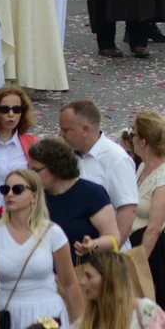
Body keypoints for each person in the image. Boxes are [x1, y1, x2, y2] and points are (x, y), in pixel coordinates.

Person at [0, 169, 83, 328]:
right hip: (7, 316)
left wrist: (82, 323)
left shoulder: (52, 232)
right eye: (5, 189)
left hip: (47, 315)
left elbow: (70, 283)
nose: (9, 194)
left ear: (34, 196)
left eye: (17, 189)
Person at [58, 99, 139, 244]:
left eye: (66, 130)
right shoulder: (66, 154)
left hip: (103, 256)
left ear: (85, 129)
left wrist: (110, 249)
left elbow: (128, 210)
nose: (61, 135)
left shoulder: (116, 159)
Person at [27, 136, 120, 260]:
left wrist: (93, 245)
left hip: (84, 272)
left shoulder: (92, 193)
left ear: (55, 168)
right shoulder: (35, 196)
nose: (30, 176)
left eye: (35, 170)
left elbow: (113, 237)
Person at [128, 112, 165, 311]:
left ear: (143, 141)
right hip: (135, 246)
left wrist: (136, 266)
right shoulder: (143, 166)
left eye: (133, 133)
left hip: (153, 254)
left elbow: (154, 229)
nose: (130, 137)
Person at [75, 250, 165, 329]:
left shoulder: (144, 311)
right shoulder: (87, 321)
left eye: (89, 276)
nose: (82, 282)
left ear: (109, 280)